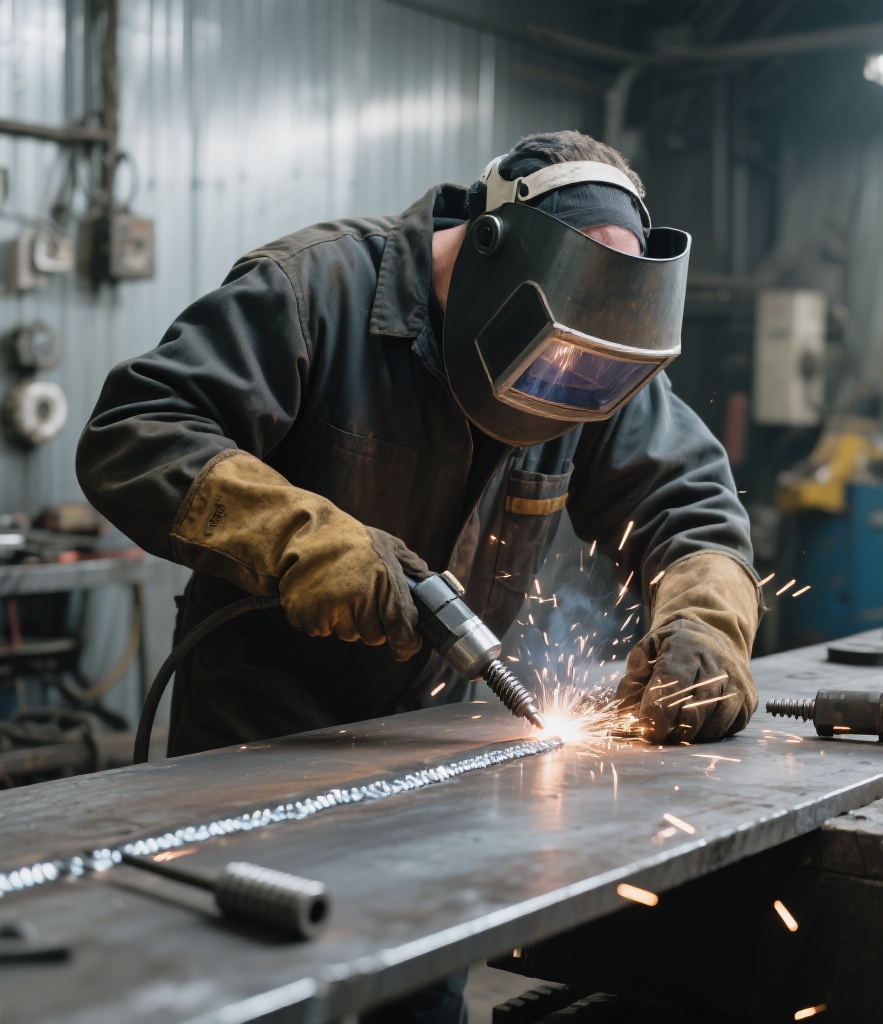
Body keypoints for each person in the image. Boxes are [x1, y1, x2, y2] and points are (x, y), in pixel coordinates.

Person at [76, 130, 761, 1023]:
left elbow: (692, 506)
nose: (562, 392)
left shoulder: (593, 344)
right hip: (257, 747)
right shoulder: (313, 290)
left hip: (436, 752)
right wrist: (303, 538)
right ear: (488, 253)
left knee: (420, 991)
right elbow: (138, 430)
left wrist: (708, 626)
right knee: (257, 997)